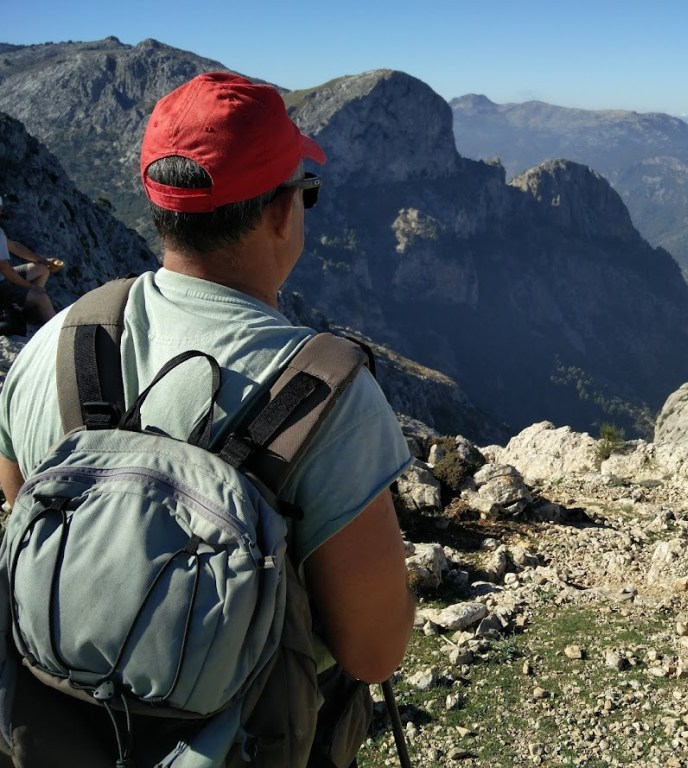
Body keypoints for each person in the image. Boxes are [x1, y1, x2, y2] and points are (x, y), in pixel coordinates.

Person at [0, 72, 416, 763]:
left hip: (57, 735)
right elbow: (374, 653)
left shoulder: (54, 345)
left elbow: (27, 508)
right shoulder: (328, 397)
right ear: (283, 212)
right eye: (303, 192)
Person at [0, 195, 59, 325]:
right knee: (42, 298)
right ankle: (58, 333)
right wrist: (30, 287)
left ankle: (26, 307)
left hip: (3, 278)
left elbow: (14, 246)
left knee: (41, 269)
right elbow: (3, 267)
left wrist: (41, 260)